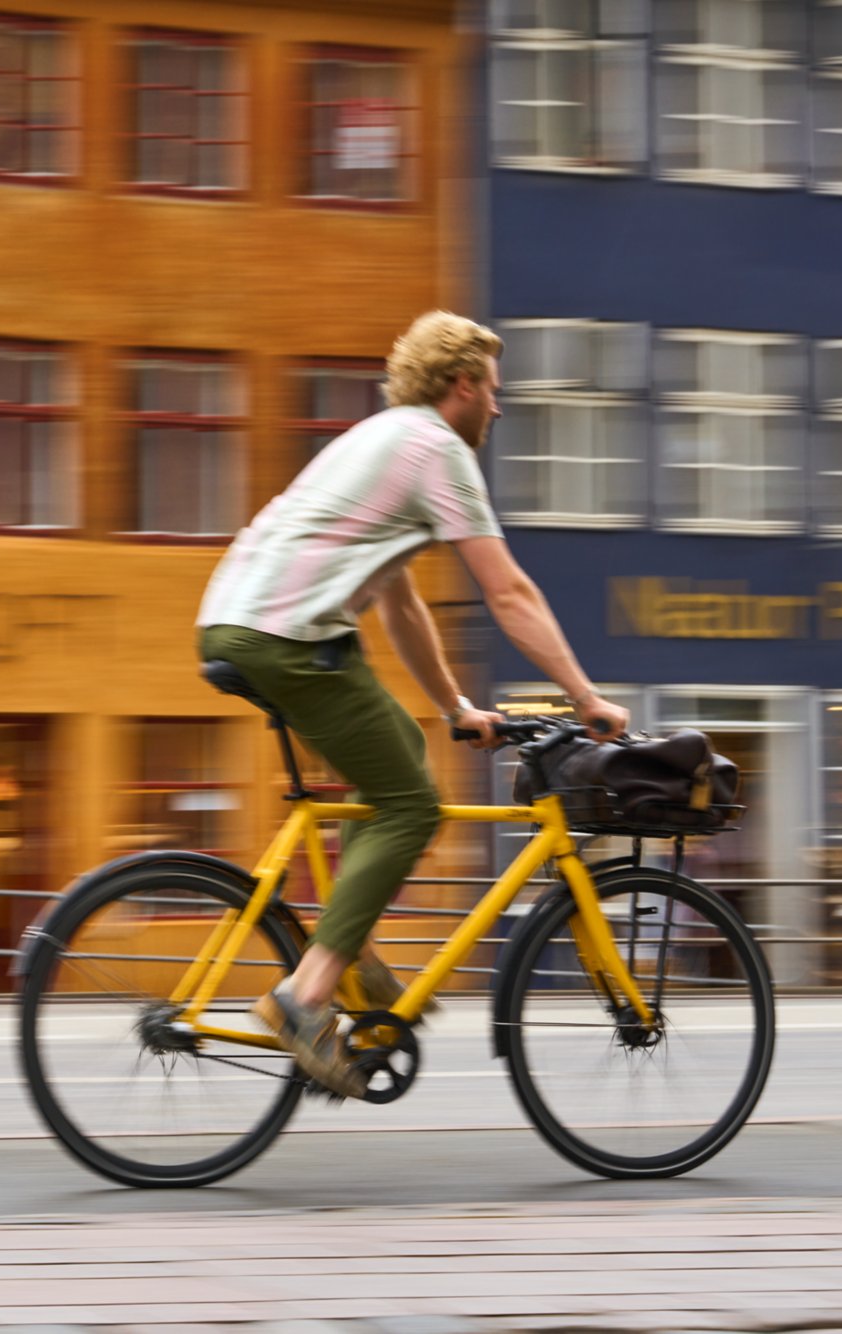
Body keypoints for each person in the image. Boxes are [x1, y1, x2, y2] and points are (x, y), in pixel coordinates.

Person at [196, 310, 629, 1096]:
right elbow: (509, 591)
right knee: (412, 804)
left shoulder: (381, 439)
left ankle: (345, 944)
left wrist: (455, 706)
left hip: (238, 624)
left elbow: (400, 604)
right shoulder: (439, 449)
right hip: (290, 636)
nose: (498, 408)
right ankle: (306, 996)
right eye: (493, 391)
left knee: (394, 760)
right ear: (461, 385)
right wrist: (585, 697)